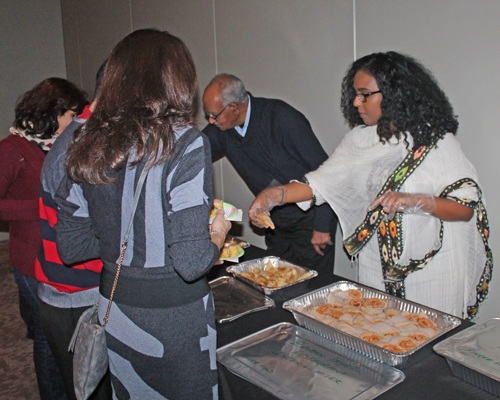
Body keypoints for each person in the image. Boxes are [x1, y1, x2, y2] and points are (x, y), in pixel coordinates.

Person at [54, 29, 230, 399]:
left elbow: (71, 245)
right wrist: (218, 233)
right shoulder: (185, 143)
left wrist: (126, 238)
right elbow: (191, 262)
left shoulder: (86, 140)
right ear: (176, 80)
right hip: (172, 320)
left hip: (115, 306)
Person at [249, 51, 492, 320]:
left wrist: (419, 201)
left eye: (365, 94)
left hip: (431, 277)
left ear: (393, 93)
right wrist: (273, 195)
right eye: (355, 94)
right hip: (376, 273)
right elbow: (317, 184)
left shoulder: (437, 142)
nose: (356, 102)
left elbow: (465, 208)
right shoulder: (359, 141)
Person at [0, 77, 88, 399]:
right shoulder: (13, 149)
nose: (76, 121)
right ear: (55, 111)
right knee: (48, 339)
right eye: (73, 113)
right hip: (29, 259)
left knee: (56, 336)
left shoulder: (59, 144)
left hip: (56, 256)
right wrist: (40, 207)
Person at [202, 74, 337, 272]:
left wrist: (322, 226)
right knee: (275, 284)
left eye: (214, 115)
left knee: (311, 289)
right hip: (275, 223)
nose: (211, 121)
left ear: (234, 108)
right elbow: (194, 151)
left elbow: (326, 172)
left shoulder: (282, 118)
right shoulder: (224, 128)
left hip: (310, 222)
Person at [36, 61, 112, 400]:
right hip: (75, 297)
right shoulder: (85, 144)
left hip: (74, 294)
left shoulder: (85, 132)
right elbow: (75, 245)